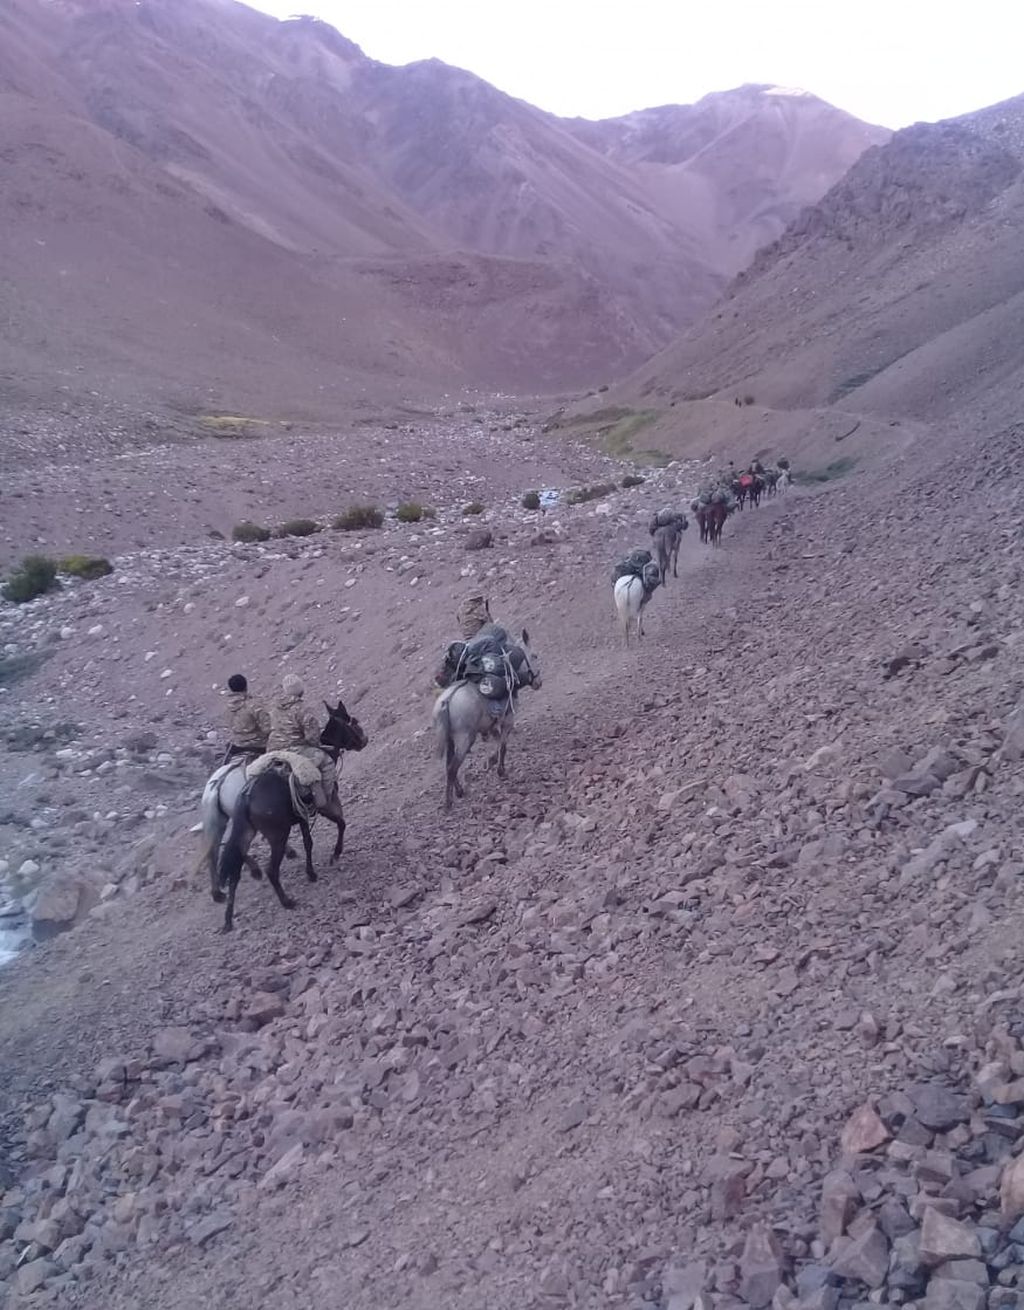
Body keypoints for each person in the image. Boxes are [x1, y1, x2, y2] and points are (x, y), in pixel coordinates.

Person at [266, 673, 335, 809]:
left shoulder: (273, 707)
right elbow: (312, 737)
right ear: (301, 690)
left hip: (272, 750)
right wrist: (316, 746)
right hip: (295, 749)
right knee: (327, 761)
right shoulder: (303, 709)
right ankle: (326, 801)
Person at [223, 674, 270, 763]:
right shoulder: (254, 705)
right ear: (246, 687)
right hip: (259, 747)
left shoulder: (227, 708)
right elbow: (267, 728)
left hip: (236, 746)